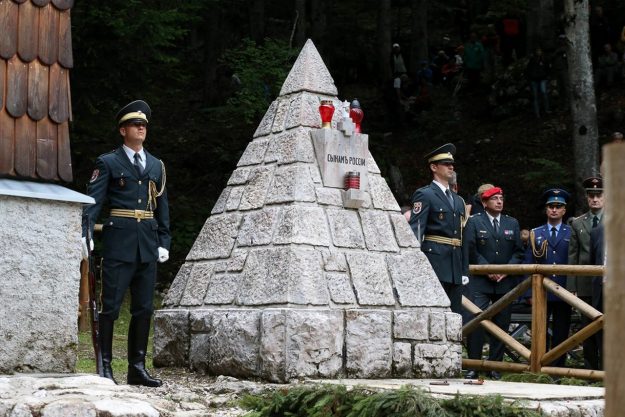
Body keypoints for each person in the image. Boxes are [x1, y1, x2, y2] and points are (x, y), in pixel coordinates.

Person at [82, 100, 171, 387]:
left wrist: (164, 241)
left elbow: (162, 206)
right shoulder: (108, 162)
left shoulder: (156, 165)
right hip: (119, 243)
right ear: (123, 130)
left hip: (147, 244)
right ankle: (105, 367)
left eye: (144, 124)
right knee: (110, 307)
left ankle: (137, 369)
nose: (141, 128)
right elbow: (94, 202)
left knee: (144, 309)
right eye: (135, 124)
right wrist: (86, 234)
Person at [463, 186, 525, 380]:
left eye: (501, 198)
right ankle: (473, 365)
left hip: (504, 281)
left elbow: (518, 251)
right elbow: (470, 248)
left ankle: (495, 366)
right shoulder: (474, 221)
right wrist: (487, 268)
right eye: (494, 199)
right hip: (481, 280)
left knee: (501, 323)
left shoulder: (511, 222)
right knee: (476, 321)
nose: (499, 202)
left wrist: (506, 269)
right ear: (484, 203)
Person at [408, 143, 469, 314]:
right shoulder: (425, 194)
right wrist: (416, 263)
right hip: (434, 261)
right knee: (434, 313)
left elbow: (463, 237)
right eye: (446, 164)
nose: (451, 167)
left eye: (452, 164)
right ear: (434, 167)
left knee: (455, 314)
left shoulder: (458, 200)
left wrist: (464, 269)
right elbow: (416, 231)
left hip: (455, 264)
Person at [524, 188, 571, 367]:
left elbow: (575, 262)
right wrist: (528, 293)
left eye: (558, 206)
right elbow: (528, 263)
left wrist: (574, 289)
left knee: (561, 331)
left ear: (564, 210)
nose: (554, 209)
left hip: (564, 290)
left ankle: (557, 368)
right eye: (551, 206)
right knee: (540, 329)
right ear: (546, 209)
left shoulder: (571, 232)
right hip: (541, 291)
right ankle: (540, 366)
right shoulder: (536, 232)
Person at [567, 176, 604, 370]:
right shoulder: (577, 223)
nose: (595, 199)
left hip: (608, 284)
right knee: (588, 329)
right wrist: (571, 286)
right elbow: (573, 256)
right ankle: (590, 370)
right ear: (587, 197)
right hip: (585, 284)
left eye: (599, 195)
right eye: (591, 195)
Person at [526, 47, 551, 118]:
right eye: (537, 51)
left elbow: (547, 68)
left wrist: (546, 76)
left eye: (540, 51)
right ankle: (537, 113)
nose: (539, 52)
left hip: (542, 78)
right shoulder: (532, 60)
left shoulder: (544, 59)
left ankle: (547, 110)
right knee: (535, 96)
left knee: (544, 93)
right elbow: (528, 70)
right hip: (534, 80)